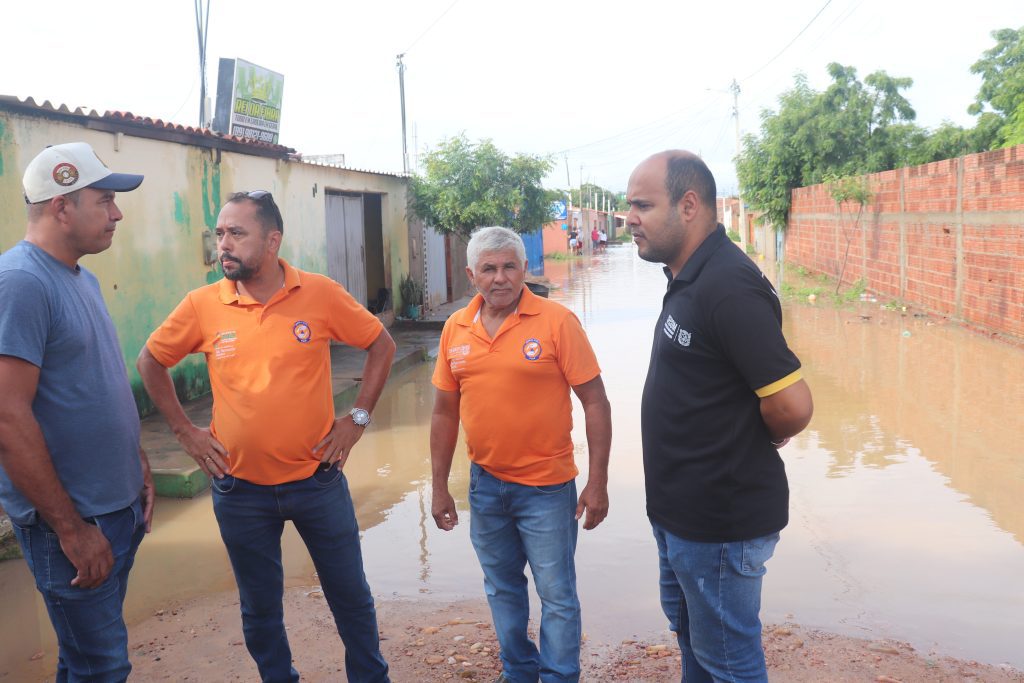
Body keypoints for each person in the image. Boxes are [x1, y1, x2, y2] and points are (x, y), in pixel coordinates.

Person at [136, 191, 395, 683]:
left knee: (351, 597)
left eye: (237, 233)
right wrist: (185, 431)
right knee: (259, 608)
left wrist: (357, 419)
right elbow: (151, 360)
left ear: (272, 241)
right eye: (220, 233)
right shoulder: (203, 304)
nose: (224, 244)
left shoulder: (319, 293)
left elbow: (380, 344)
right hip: (240, 490)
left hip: (317, 481)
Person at [626, 151, 813, 683]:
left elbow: (792, 405)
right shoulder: (691, 275)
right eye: (628, 206)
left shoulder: (728, 285)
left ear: (688, 206)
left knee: (730, 662)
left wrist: (758, 435)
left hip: (718, 525)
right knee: (697, 644)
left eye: (643, 205)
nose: (630, 218)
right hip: (682, 515)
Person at [0, 142, 154, 681]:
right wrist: (70, 529)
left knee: (84, 662)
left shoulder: (79, 278)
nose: (117, 214)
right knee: (104, 667)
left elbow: (95, 384)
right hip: (71, 524)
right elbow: (7, 417)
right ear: (61, 206)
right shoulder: (20, 283)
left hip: (114, 510)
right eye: (105, 200)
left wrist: (136, 463)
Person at [430, 226, 612, 683]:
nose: (500, 277)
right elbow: (444, 412)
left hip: (547, 487)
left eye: (510, 266)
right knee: (502, 588)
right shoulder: (456, 328)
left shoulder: (557, 322)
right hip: (485, 486)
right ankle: (519, 672)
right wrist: (438, 487)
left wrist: (597, 482)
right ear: (471, 274)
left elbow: (595, 402)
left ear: (524, 268)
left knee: (557, 594)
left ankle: (559, 677)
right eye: (489, 269)